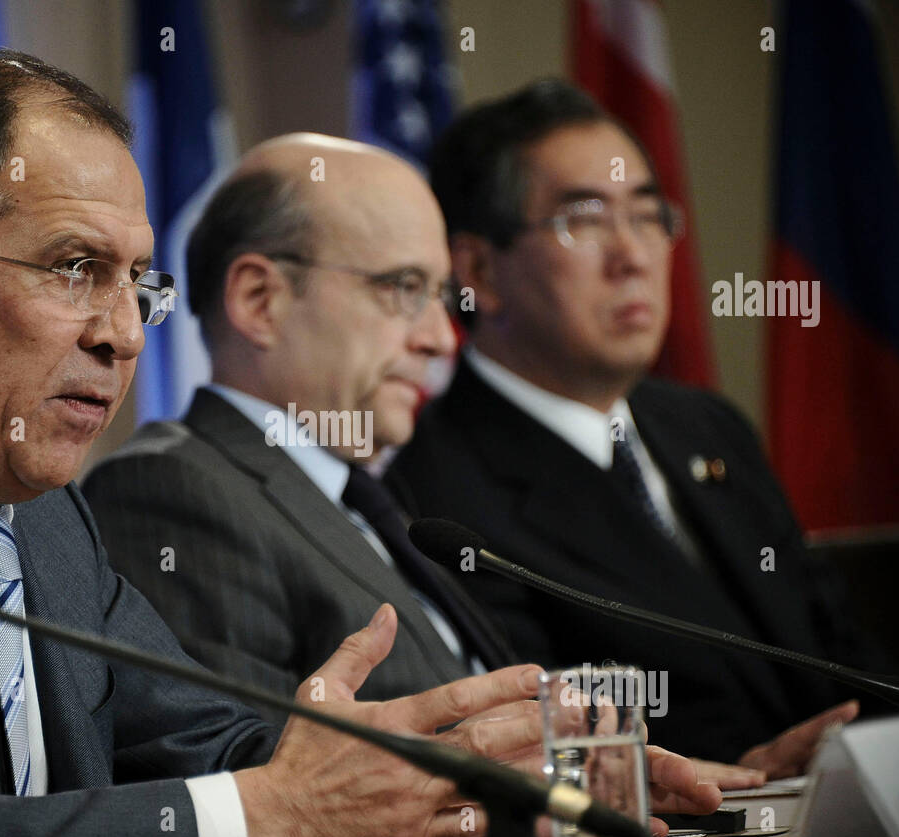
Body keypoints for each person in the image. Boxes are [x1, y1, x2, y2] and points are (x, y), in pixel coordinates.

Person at [0, 53, 584, 837]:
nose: (124, 335)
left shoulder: (36, 505)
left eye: (138, 285)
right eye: (75, 269)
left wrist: (475, 777)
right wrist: (260, 819)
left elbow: (211, 749)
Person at [83, 133, 740, 800]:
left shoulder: (375, 494)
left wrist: (606, 778)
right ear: (260, 300)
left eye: (441, 295)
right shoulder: (172, 490)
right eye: (403, 289)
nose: (440, 337)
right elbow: (257, 791)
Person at [387, 80, 885, 772]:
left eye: (649, 216)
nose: (634, 256)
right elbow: (544, 742)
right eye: (585, 220)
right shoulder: (433, 495)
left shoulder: (709, 429)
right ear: (477, 270)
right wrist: (746, 774)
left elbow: (844, 652)